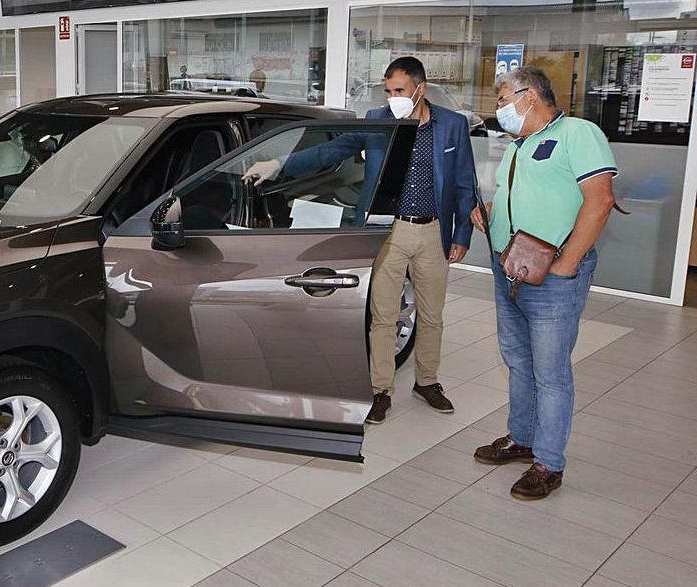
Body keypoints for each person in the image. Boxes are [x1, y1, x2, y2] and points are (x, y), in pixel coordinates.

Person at [243, 56, 476, 424]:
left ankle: (427, 381)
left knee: (431, 316)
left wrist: (462, 232)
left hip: (433, 231)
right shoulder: (377, 121)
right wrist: (279, 165)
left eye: (399, 90)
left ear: (420, 88)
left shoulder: (452, 126)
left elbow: (465, 183)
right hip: (388, 231)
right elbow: (331, 150)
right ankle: (381, 390)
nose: (392, 97)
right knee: (383, 316)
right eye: (388, 91)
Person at [471, 66, 617, 500]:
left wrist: (568, 262)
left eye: (502, 99)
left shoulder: (578, 133)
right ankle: (522, 438)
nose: (499, 108)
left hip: (551, 272)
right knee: (517, 357)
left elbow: (601, 199)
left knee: (550, 371)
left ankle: (549, 463)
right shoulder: (520, 144)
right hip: (509, 265)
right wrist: (492, 211)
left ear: (530, 96)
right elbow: (531, 195)